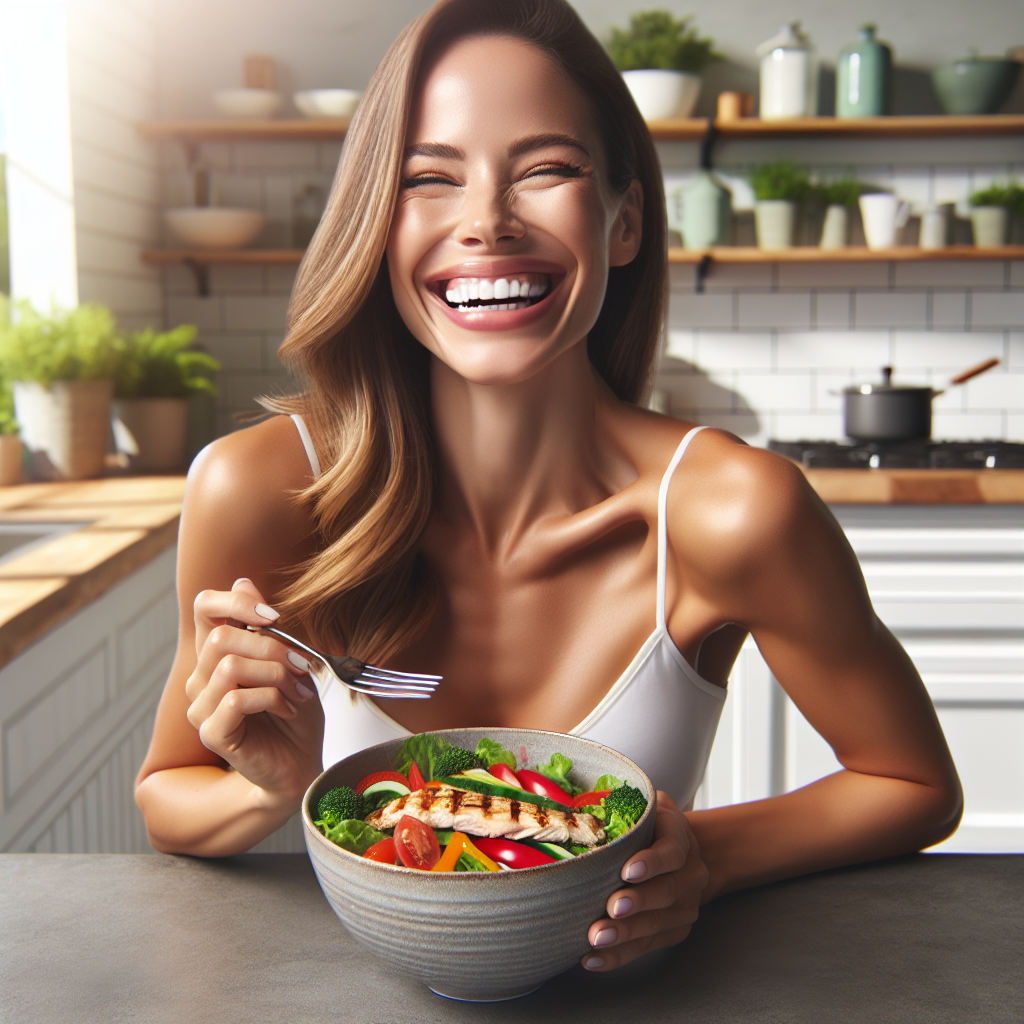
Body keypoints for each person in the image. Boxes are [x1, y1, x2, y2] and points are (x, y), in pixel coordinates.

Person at [135, 0, 961, 973]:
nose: (486, 221)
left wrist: (703, 857)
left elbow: (909, 781)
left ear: (623, 220)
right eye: (428, 178)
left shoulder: (734, 510)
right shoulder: (259, 488)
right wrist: (266, 792)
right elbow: (168, 793)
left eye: (547, 169)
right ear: (376, 226)